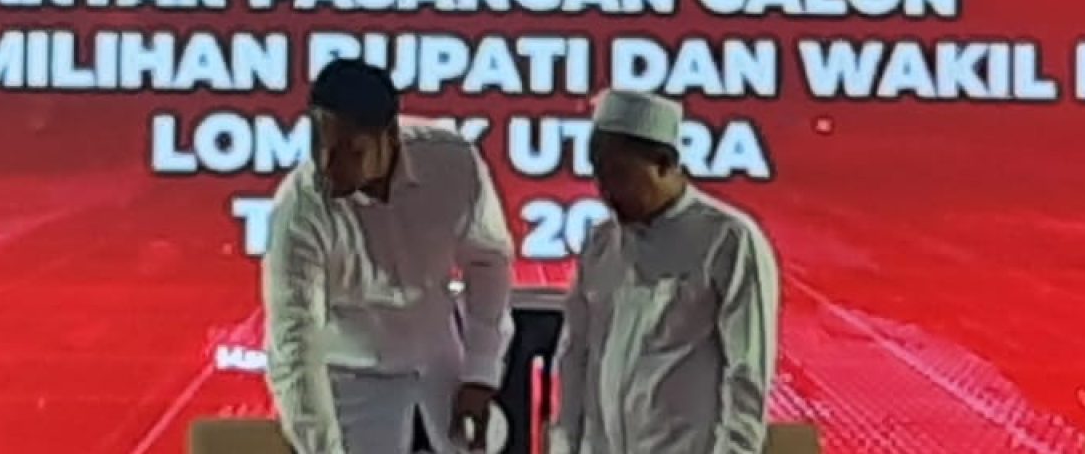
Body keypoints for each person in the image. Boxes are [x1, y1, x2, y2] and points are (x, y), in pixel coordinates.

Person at [263, 59, 514, 454]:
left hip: (439, 356)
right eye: (320, 145)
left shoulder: (452, 165)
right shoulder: (300, 209)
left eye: (352, 151)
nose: (328, 165)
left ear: (390, 137)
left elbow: (488, 263)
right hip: (350, 368)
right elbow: (294, 341)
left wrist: (481, 369)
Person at [553, 90, 780, 454]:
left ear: (663, 163)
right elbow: (575, 356)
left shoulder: (727, 241)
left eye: (619, 175)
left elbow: (746, 374)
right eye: (598, 175)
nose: (605, 191)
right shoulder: (601, 245)